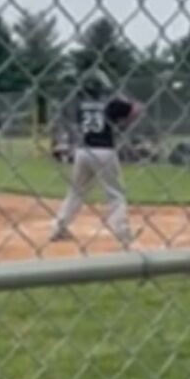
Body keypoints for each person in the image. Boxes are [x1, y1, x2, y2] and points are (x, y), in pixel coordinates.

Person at [50, 68, 141, 248]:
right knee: (115, 194)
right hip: (104, 150)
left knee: (76, 192)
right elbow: (136, 109)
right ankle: (122, 233)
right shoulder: (111, 103)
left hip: (83, 151)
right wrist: (125, 104)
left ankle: (58, 227)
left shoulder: (81, 105)